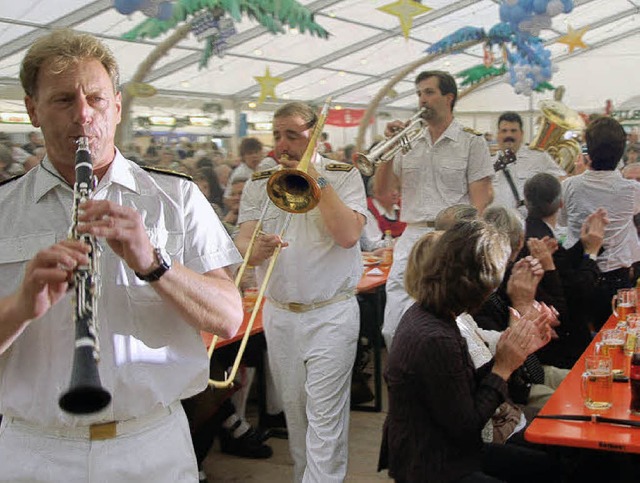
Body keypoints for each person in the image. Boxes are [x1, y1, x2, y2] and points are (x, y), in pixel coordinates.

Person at [0, 29, 243, 482]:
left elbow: (228, 318)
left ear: (117, 105)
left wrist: (155, 263)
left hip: (152, 445)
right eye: (62, 100)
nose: (83, 115)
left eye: (95, 98)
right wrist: (20, 306)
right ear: (32, 110)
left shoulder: (177, 197)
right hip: (33, 451)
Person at [235, 101, 367, 482]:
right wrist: (253, 250)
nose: (282, 144)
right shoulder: (261, 181)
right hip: (279, 314)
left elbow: (347, 236)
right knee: (295, 413)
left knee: (324, 417)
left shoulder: (342, 176)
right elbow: (243, 240)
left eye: (292, 135)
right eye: (277, 135)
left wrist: (315, 178)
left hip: (332, 313)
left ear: (315, 136)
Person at [379, 221, 562, 482]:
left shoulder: (437, 313)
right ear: (479, 282)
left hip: (448, 452)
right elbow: (468, 426)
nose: (495, 289)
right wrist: (503, 366)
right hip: (435, 466)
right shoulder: (435, 336)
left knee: (554, 463)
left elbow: (464, 385)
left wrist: (515, 350)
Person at [374, 70, 494, 348]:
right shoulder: (409, 139)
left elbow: (481, 200)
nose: (422, 100)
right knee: (393, 326)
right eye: (419, 94)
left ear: (449, 97)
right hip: (412, 238)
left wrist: (463, 243)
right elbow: (382, 194)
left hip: (452, 238)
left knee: (451, 326)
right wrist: (387, 150)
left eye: (429, 92)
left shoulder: (471, 141)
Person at [560, 116, 640, 329]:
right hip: (616, 280)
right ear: (621, 151)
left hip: (579, 274)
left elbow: (563, 220)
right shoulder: (631, 190)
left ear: (589, 150)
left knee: (581, 343)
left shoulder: (569, 185)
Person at [492, 111, 566, 216]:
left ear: (521, 134)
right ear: (498, 134)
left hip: (530, 223)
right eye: (504, 131)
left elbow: (561, 180)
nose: (509, 135)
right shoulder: (489, 163)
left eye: (513, 131)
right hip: (499, 223)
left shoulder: (538, 157)